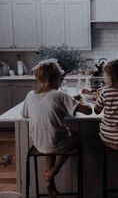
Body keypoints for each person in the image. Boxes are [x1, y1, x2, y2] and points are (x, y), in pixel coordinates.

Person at [21, 59, 92, 197]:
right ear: (56, 78)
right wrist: (81, 100)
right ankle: (54, 171)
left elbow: (25, 114)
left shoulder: (30, 95)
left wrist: (69, 101)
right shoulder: (59, 95)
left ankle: (50, 183)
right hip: (55, 142)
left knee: (51, 138)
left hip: (39, 144)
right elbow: (88, 111)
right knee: (76, 136)